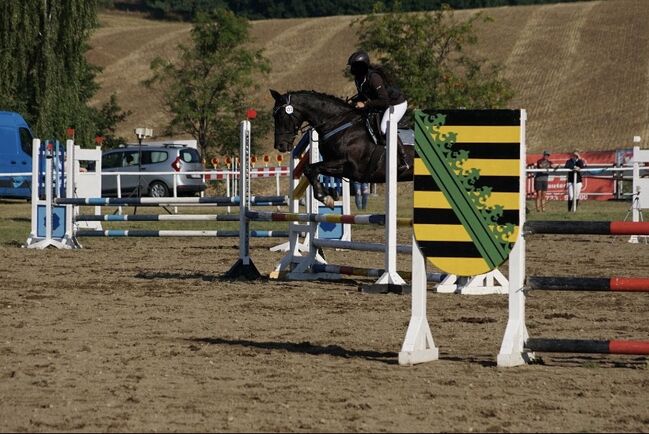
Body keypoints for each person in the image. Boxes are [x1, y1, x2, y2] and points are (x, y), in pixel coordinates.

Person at [347, 50, 409, 170]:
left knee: (384, 128)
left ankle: (403, 159)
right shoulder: (358, 79)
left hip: (396, 104)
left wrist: (365, 105)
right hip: (382, 105)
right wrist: (352, 102)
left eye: (354, 66)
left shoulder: (374, 78)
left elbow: (384, 101)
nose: (352, 69)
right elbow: (363, 95)